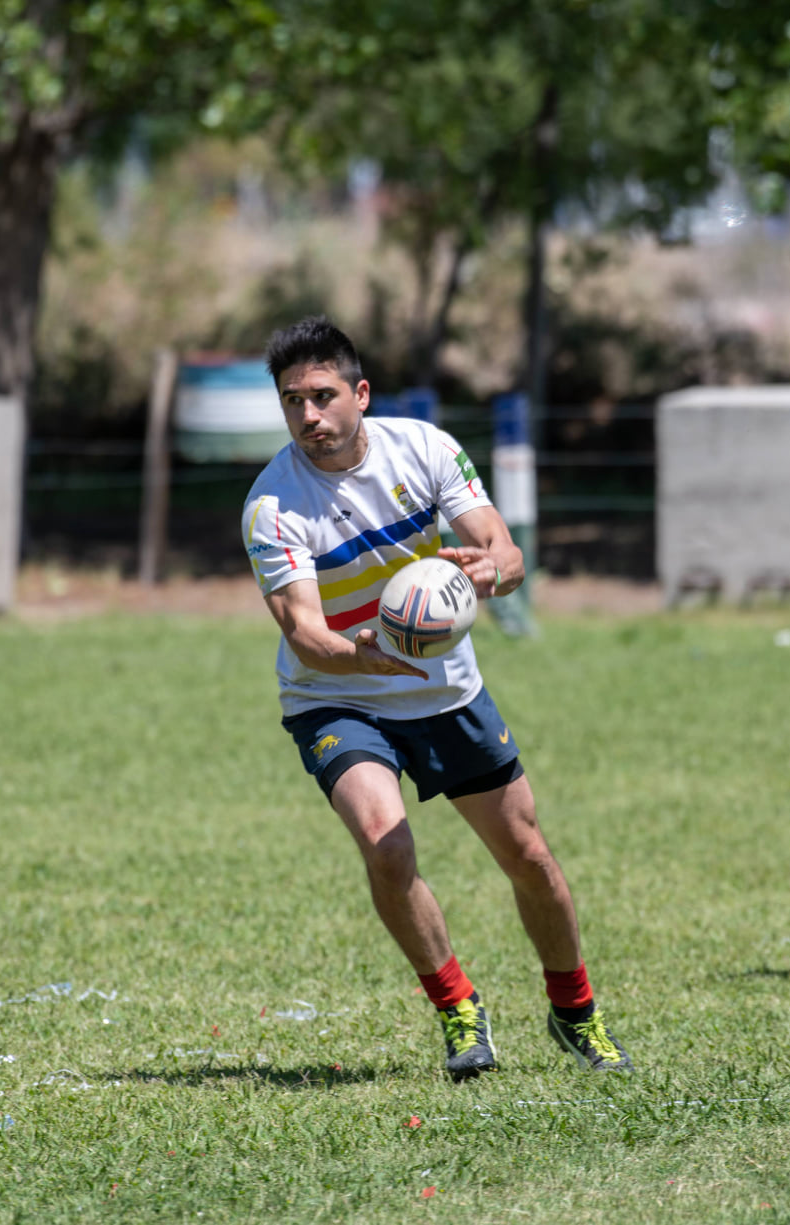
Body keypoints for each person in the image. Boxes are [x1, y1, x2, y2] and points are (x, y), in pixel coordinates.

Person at [240, 316, 632, 1078]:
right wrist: (373, 655)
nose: (309, 417)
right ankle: (457, 1007)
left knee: (529, 857)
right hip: (336, 693)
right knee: (386, 844)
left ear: (361, 393)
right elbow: (305, 634)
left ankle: (575, 1012)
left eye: (322, 396)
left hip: (447, 690)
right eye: (292, 402)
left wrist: (492, 570)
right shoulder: (272, 505)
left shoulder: (423, 448)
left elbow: (505, 550)